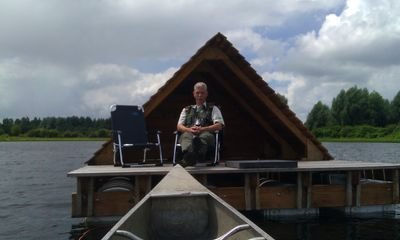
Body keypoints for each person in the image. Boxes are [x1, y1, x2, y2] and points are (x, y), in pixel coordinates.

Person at [177, 82, 224, 166]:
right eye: (197, 93)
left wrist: (203, 129)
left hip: (206, 133)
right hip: (190, 132)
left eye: (202, 93)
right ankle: (194, 155)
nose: (200, 95)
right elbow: (179, 126)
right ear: (194, 94)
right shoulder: (186, 109)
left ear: (206, 94)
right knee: (186, 136)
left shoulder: (213, 108)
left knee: (203, 137)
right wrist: (189, 129)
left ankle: (188, 158)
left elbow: (219, 125)